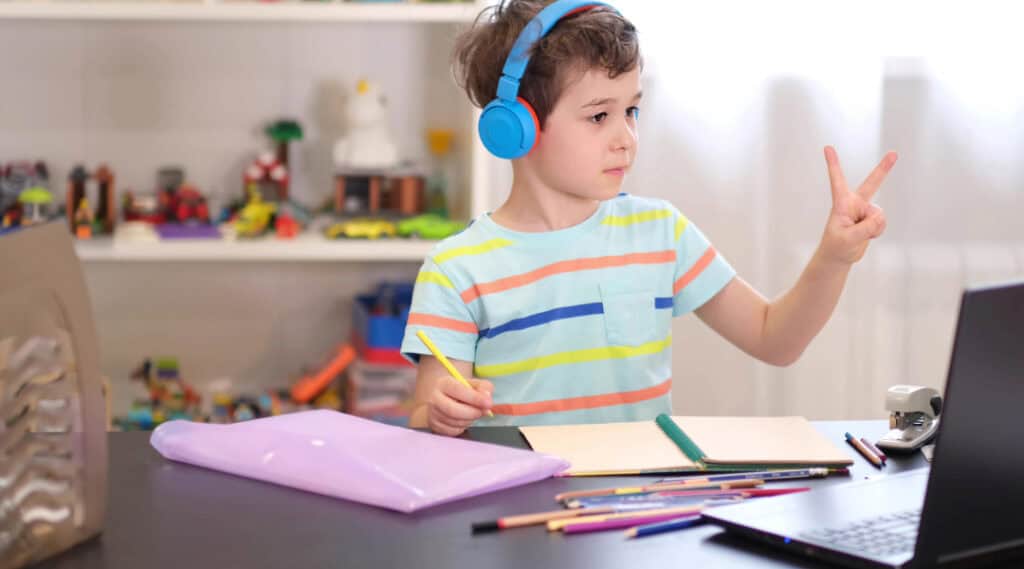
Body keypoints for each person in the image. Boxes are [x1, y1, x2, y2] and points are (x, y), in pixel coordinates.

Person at [400, 0, 896, 436]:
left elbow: (776, 339)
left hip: (639, 506)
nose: (626, 138)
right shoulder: (456, 270)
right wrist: (440, 413)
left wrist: (834, 258)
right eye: (599, 116)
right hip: (524, 516)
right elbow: (428, 413)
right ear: (517, 128)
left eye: (632, 111)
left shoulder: (660, 232)